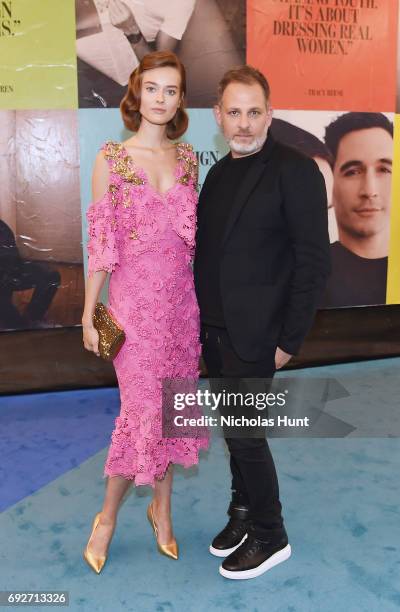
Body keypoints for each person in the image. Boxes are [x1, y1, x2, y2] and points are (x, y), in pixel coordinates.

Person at [193, 65, 330, 579]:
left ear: (270, 114)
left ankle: (272, 536)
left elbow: (314, 261)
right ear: (218, 116)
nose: (244, 124)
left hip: (260, 336)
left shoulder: (295, 170)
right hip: (216, 331)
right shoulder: (219, 173)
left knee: (247, 435)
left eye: (254, 112)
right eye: (234, 112)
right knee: (234, 432)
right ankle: (244, 513)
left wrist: (288, 341)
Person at [82, 50, 208, 574]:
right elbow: (101, 242)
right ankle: (107, 518)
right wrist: (89, 312)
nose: (161, 98)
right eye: (152, 88)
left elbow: (193, 246)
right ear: (137, 95)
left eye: (171, 90)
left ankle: (164, 509)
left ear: (181, 100)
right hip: (133, 311)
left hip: (182, 308)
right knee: (140, 413)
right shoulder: (111, 157)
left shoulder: (188, 159)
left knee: (173, 410)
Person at [322, 112, 393, 308]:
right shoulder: (307, 272)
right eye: (352, 172)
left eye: (384, 170)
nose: (370, 191)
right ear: (330, 180)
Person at [0, 219, 60, 330]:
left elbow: (12, 255)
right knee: (17, 326)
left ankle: (33, 317)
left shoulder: (2, 227)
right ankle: (22, 326)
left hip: (12, 272)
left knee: (51, 276)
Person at [108, 0, 196, 59]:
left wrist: (131, 29)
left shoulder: (181, 4)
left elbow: (157, 66)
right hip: (105, 22)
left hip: (135, 41)